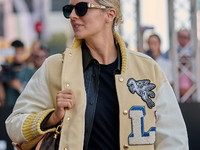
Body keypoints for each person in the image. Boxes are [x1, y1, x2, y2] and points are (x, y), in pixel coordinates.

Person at [6, 0, 188, 150]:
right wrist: (52, 117)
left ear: (110, 14)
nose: (73, 15)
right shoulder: (55, 67)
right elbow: (14, 125)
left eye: (82, 8)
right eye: (69, 9)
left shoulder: (148, 68)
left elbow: (173, 139)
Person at [1, 40, 35, 107]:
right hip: (8, 110)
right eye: (15, 52)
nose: (17, 56)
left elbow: (35, 95)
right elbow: (2, 98)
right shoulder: (5, 71)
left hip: (25, 108)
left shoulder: (31, 72)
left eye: (20, 52)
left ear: (24, 52)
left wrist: (20, 88)